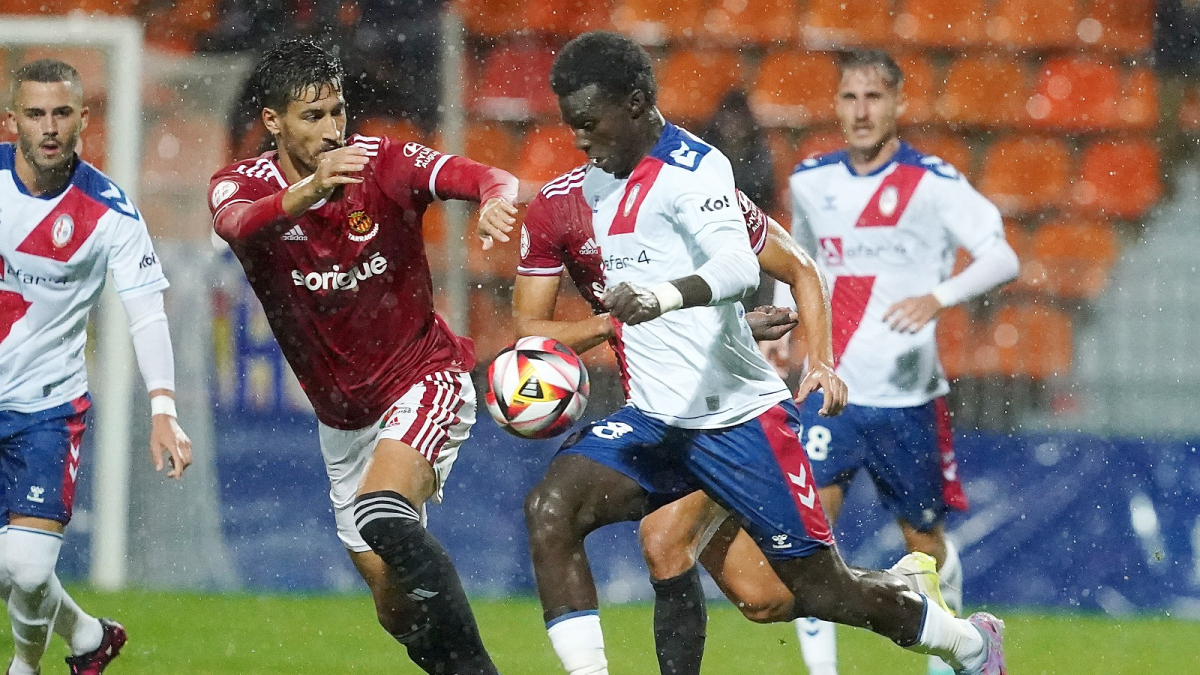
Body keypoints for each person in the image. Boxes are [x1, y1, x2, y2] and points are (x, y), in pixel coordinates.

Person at [527, 31, 1008, 675]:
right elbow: (535, 324)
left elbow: (736, 264)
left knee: (816, 591)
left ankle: (966, 644)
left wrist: (665, 300)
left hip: (739, 422)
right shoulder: (592, 187)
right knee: (555, 510)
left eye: (590, 124)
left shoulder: (698, 172)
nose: (580, 139)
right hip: (657, 421)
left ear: (637, 103)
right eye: (572, 127)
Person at [208, 40, 519, 675]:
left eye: (338, 112)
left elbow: (486, 174)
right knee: (396, 610)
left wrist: (493, 197)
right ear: (273, 123)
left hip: (423, 378)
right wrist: (311, 191)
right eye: (313, 117)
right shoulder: (239, 184)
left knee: (383, 512)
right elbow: (236, 225)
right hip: (342, 420)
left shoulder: (384, 163)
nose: (332, 131)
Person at [516, 168, 846, 675]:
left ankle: (895, 605)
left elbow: (799, 267)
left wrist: (820, 361)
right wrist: (614, 321)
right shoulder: (558, 208)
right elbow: (532, 330)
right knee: (763, 599)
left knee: (664, 540)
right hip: (657, 416)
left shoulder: (695, 188)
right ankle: (900, 592)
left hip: (732, 414)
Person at [774, 50, 1020, 675]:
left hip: (908, 401)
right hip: (831, 389)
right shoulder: (811, 180)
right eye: (850, 98)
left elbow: (1001, 258)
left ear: (898, 105)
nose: (861, 111)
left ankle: (957, 646)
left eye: (874, 98)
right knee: (809, 542)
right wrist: (781, 323)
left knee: (924, 544)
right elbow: (795, 261)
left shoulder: (932, 182)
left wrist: (939, 296)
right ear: (835, 106)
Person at [1, 59, 193, 675]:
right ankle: (87, 638)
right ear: (12, 122)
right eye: (35, 114)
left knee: (27, 568)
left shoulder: (109, 211)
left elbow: (145, 315)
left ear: (84, 119)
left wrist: (163, 409)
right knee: (14, 568)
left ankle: (25, 668)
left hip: (47, 409)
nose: (50, 127)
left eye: (62, 113)